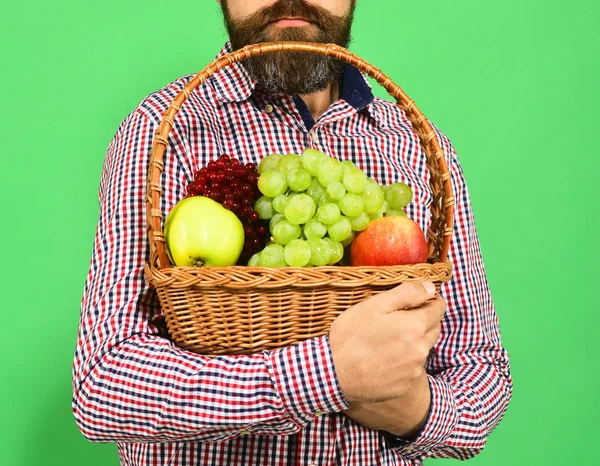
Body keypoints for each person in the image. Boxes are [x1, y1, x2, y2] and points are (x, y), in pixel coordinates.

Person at [72, 0, 513, 464]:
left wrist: (412, 410)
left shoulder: (418, 144)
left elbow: (481, 378)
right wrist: (328, 375)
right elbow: (102, 387)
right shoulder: (162, 130)